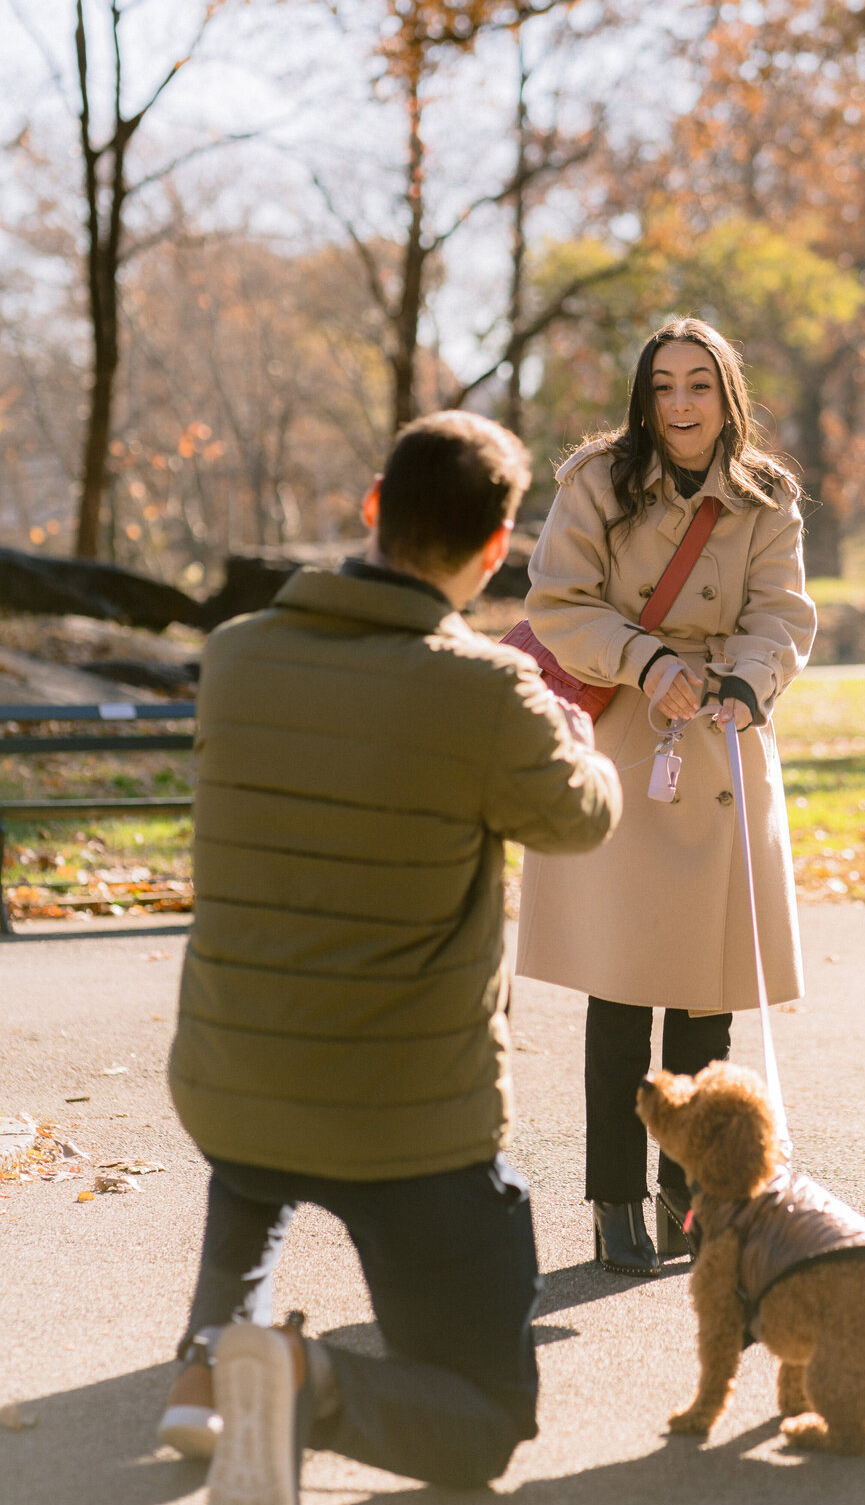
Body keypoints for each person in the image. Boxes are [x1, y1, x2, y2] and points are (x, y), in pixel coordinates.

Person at [160, 410, 621, 1504]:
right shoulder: (487, 694)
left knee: (262, 1151)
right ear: (498, 543)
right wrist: (575, 732)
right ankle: (300, 1378)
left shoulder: (232, 660)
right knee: (484, 1423)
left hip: (236, 1080)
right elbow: (582, 819)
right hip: (410, 1117)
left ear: (374, 505)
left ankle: (205, 1364)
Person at [516, 318, 816, 1276]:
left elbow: (783, 614)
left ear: (728, 393)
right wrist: (645, 661)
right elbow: (558, 603)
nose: (681, 406)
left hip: (725, 743)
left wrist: (745, 682)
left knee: (706, 994)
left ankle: (688, 1188)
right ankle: (613, 1201)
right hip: (625, 740)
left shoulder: (768, 498)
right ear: (642, 397)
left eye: (699, 386)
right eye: (663, 388)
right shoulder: (595, 482)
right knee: (622, 987)